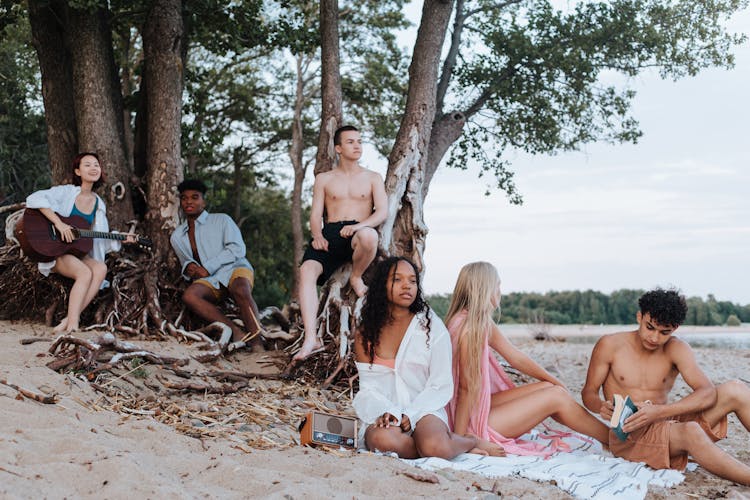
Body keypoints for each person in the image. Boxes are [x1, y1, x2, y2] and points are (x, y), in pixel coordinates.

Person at [582, 288, 750, 485]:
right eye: (650, 327)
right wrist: (600, 406)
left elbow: (708, 393)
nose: (654, 338)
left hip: (665, 420)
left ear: (675, 328)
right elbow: (588, 393)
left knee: (736, 389)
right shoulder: (610, 345)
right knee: (691, 430)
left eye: (664, 332)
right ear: (639, 316)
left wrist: (659, 412)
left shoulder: (677, 348)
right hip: (630, 434)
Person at [445, 262, 609, 456]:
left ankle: (610, 438)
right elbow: (466, 389)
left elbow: (516, 357)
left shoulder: (471, 321)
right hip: (467, 422)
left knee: (550, 388)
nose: (500, 291)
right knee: (556, 397)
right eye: (497, 286)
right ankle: (614, 440)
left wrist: (553, 380)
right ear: (485, 289)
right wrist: (461, 439)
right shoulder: (471, 329)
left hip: (474, 408)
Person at [352, 257, 503, 459]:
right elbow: (368, 389)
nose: (407, 286)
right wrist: (389, 412)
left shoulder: (431, 327)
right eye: (397, 279)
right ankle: (438, 445)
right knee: (384, 442)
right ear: (382, 285)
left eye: (413, 281)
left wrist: (411, 414)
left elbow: (440, 384)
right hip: (386, 412)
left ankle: (469, 440)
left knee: (435, 447)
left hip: (425, 409)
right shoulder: (366, 333)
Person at [294, 125, 388, 361]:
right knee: (306, 271)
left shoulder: (373, 177)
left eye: (359, 141)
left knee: (369, 236)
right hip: (332, 232)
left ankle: (356, 276)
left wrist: (358, 226)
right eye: (350, 142)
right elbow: (316, 214)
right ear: (338, 148)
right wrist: (318, 235)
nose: (357, 146)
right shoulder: (324, 179)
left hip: (359, 230)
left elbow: (382, 212)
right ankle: (310, 339)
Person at [25, 152, 134, 333]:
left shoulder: (99, 204)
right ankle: (73, 326)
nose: (93, 168)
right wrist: (59, 224)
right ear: (77, 171)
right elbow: (34, 199)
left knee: (100, 269)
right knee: (84, 273)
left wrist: (121, 238)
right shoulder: (67, 192)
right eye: (87, 165)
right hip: (55, 249)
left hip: (75, 252)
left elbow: (98, 237)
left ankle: (68, 320)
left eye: (96, 165)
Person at [170, 179, 264, 352]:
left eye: (195, 197)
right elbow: (186, 262)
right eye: (184, 198)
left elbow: (237, 249)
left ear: (203, 201)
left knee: (241, 290)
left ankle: (257, 342)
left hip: (236, 267)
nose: (189, 201)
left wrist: (208, 267)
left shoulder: (222, 220)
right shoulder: (177, 235)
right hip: (211, 279)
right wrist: (190, 268)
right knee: (190, 296)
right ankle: (236, 332)